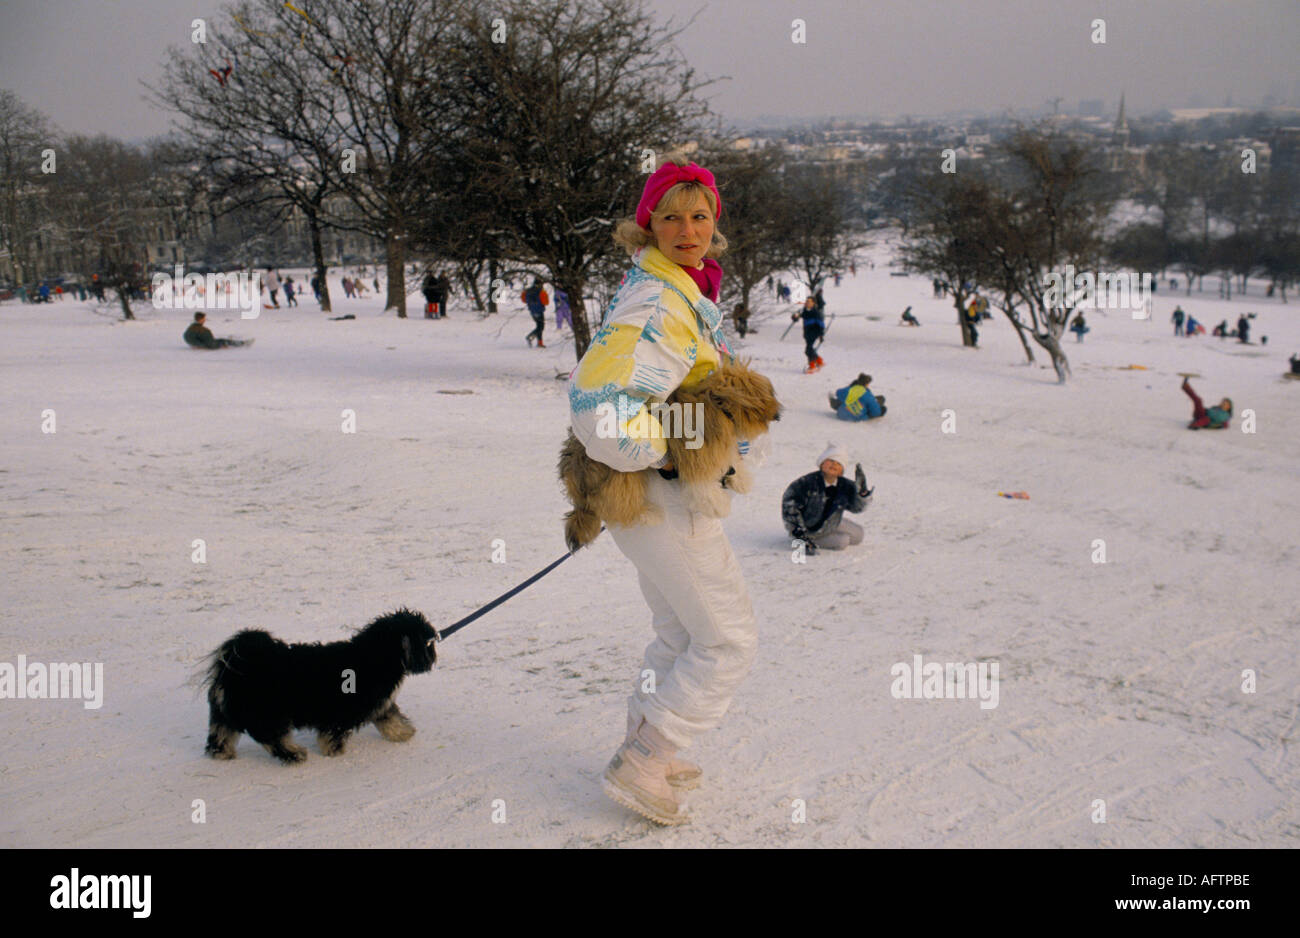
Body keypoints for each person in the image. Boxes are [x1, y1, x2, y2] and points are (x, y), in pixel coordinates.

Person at [566, 158, 767, 826]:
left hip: (646, 502)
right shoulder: (657, 302)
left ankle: (640, 740)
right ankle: (649, 757)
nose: (688, 228)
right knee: (727, 639)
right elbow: (597, 401)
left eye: (700, 215)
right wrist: (668, 460)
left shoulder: (679, 288)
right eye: (672, 215)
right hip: (660, 501)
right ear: (647, 223)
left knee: (679, 631)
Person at [782, 444, 872, 553]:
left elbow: (856, 508)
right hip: (810, 529)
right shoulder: (805, 483)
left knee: (859, 535)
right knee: (842, 542)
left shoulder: (845, 485)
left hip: (832, 522)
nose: (834, 465)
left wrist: (862, 494)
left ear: (842, 470)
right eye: (831, 460)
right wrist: (800, 535)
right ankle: (809, 539)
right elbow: (790, 509)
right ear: (822, 463)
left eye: (839, 463)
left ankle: (829, 531)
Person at [793, 296, 824, 373]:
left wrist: (821, 335)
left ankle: (812, 366)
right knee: (809, 349)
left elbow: (821, 325)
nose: (807, 303)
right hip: (807, 333)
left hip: (814, 333)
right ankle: (819, 361)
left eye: (809, 302)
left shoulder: (816, 312)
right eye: (807, 301)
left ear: (813, 303)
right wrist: (795, 316)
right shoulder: (805, 311)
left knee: (808, 350)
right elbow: (797, 318)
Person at [183, 312, 247, 349]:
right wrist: (222, 345)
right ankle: (242, 344)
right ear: (201, 319)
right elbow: (211, 344)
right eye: (204, 319)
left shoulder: (190, 328)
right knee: (223, 341)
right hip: (204, 346)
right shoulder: (204, 330)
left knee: (221, 340)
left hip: (194, 344)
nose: (205, 320)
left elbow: (186, 337)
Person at [523, 277, 549, 347]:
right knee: (541, 327)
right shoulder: (541, 291)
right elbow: (546, 302)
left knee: (539, 326)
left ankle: (540, 342)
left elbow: (524, 299)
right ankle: (530, 336)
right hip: (539, 311)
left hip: (532, 311)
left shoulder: (527, 291)